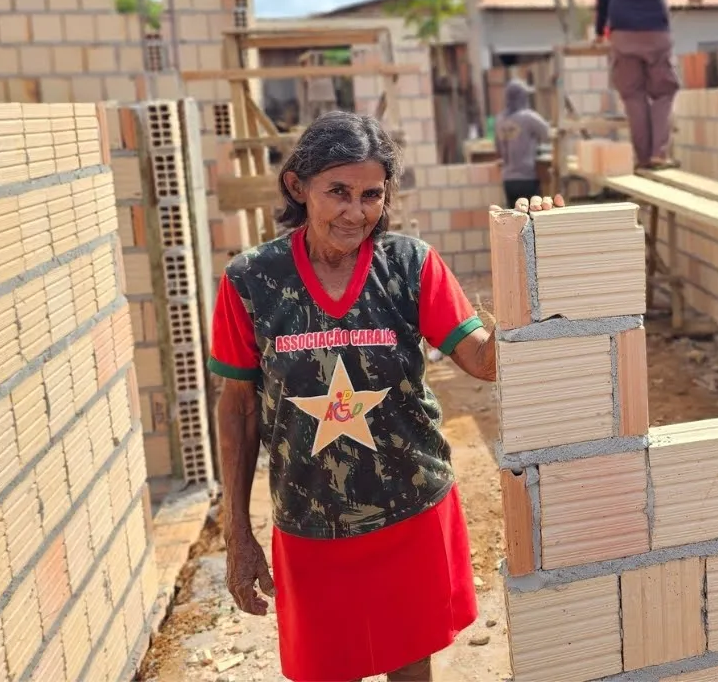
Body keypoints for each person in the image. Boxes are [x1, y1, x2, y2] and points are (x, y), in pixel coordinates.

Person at [206, 110, 565, 682]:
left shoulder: (409, 265)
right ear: (298, 187)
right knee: (329, 669)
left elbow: (483, 361)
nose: (355, 212)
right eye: (338, 192)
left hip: (409, 512)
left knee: (411, 668)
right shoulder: (251, 281)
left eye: (371, 195)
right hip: (311, 523)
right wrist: (238, 533)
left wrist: (535, 258)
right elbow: (239, 408)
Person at [594, 0, 703, 171]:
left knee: (633, 95)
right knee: (664, 92)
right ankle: (658, 154)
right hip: (655, 31)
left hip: (622, 33)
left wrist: (600, 32)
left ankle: (643, 158)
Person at [495, 77, 551, 207]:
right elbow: (547, 134)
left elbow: (497, 148)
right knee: (532, 216)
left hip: (508, 180)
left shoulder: (499, 120)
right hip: (527, 178)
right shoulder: (528, 117)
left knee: (514, 216)